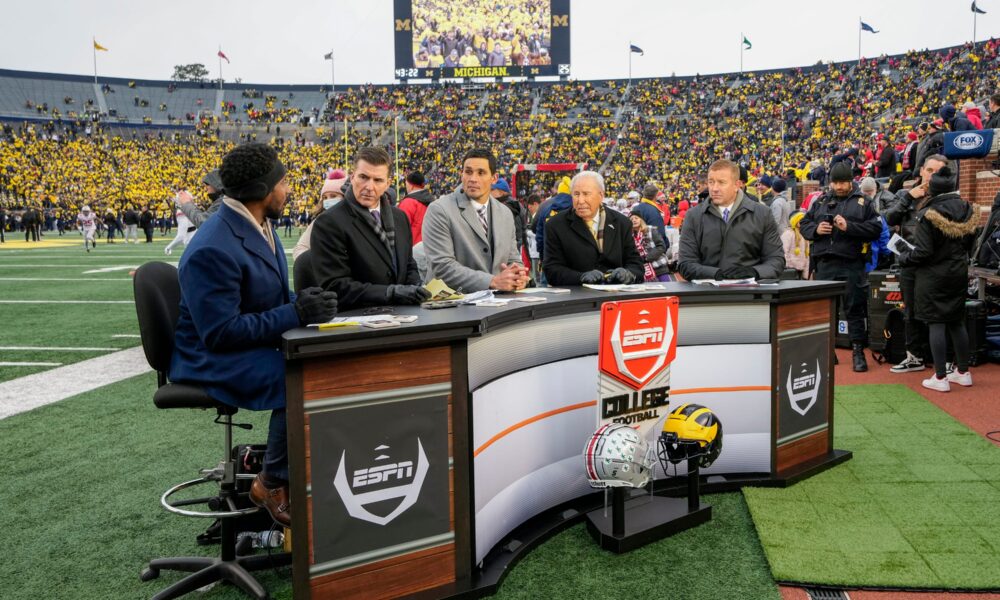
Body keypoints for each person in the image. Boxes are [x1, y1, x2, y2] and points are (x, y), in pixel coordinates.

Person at [170, 142, 338, 528]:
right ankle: (272, 481)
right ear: (264, 191)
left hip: (243, 341)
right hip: (208, 357)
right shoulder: (211, 247)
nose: (289, 190)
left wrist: (307, 302)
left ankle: (303, 469)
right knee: (297, 374)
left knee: (323, 358)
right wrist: (295, 312)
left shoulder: (257, 222)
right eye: (283, 182)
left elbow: (268, 296)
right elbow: (221, 333)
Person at [311, 146, 430, 310]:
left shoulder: (399, 217)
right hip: (359, 320)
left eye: (378, 180)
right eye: (363, 177)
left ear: (388, 183)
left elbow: (408, 264)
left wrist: (415, 286)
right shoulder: (328, 223)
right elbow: (335, 286)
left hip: (404, 314)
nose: (369, 186)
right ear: (352, 177)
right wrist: (390, 292)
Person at [897, 165, 978, 392]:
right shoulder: (968, 209)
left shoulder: (928, 215)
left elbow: (923, 252)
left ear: (932, 190)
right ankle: (963, 372)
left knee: (936, 323)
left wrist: (904, 257)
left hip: (933, 276)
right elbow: (972, 245)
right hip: (958, 271)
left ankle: (940, 377)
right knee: (956, 321)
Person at [799, 161, 883, 372]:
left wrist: (849, 227)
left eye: (842, 183)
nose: (838, 187)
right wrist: (817, 230)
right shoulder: (821, 201)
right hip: (825, 263)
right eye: (835, 183)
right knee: (826, 312)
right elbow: (804, 225)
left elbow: (876, 228)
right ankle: (828, 352)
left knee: (854, 309)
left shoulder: (864, 201)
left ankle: (857, 352)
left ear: (850, 182)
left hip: (851, 264)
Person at [422, 149, 528, 292]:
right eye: (468, 172)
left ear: (494, 178)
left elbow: (513, 259)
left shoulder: (505, 213)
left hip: (497, 305)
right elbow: (442, 267)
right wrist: (492, 281)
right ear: (462, 175)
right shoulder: (439, 210)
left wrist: (517, 277)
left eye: (481, 173)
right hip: (452, 306)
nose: (473, 178)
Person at [883, 154, 947, 373]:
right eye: (929, 171)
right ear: (921, 171)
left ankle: (942, 359)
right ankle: (915, 357)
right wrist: (907, 198)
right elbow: (889, 218)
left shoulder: (944, 198)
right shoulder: (904, 194)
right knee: (910, 311)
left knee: (935, 313)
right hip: (909, 262)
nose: (932, 176)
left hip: (934, 263)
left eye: (938, 172)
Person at [677, 160, 785, 282]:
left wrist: (754, 272)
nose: (714, 188)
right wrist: (717, 274)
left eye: (721, 182)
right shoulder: (693, 216)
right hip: (707, 295)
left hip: (750, 296)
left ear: (737, 185)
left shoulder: (762, 214)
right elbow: (685, 263)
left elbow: (776, 260)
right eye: (711, 182)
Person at [542, 171, 644, 286]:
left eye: (586, 194)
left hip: (615, 297)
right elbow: (552, 270)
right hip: (577, 298)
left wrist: (629, 274)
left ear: (601, 195)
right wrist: (580, 278)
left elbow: (636, 265)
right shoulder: (555, 225)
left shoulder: (622, 223)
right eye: (576, 194)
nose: (580, 200)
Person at [292, 169, 347, 261]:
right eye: (325, 197)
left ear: (345, 197)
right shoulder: (320, 221)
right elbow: (299, 249)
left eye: (333, 196)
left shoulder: (356, 219)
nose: (328, 200)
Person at [397, 171, 435, 245]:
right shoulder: (432, 201)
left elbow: (400, 230)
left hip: (412, 248)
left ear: (411, 186)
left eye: (406, 184)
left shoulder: (408, 203)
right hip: (430, 247)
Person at [630, 214, 670, 282]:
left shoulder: (651, 230)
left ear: (641, 220)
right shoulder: (629, 235)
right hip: (643, 270)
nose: (634, 220)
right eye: (631, 219)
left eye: (636, 218)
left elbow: (661, 246)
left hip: (659, 266)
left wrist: (646, 258)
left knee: (667, 290)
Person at [782, 211, 810, 279]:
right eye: (801, 220)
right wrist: (787, 267)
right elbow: (784, 252)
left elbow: (807, 256)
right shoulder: (788, 234)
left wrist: (806, 274)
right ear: (795, 221)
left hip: (801, 269)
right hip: (790, 270)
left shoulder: (805, 235)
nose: (803, 222)